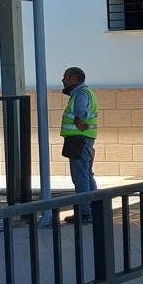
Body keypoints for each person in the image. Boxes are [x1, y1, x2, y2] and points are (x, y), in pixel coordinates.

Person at [59, 66, 98, 223]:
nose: (63, 80)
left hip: (78, 140)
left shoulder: (81, 94)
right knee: (87, 175)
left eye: (65, 77)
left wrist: (78, 121)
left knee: (80, 177)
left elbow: (80, 112)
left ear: (74, 79)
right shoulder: (88, 92)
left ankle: (85, 213)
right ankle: (94, 210)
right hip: (85, 139)